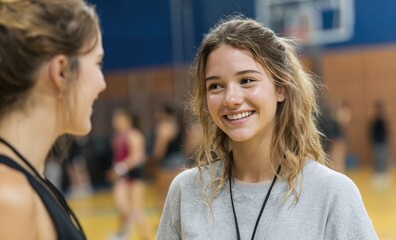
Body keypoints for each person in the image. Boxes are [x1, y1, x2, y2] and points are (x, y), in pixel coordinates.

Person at [156, 16, 378, 239]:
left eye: (246, 81)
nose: (231, 99)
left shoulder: (332, 193)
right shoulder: (186, 191)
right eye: (215, 86)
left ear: (280, 88)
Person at [0, 0, 106, 239]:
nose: (102, 83)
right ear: (61, 71)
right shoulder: (1, 195)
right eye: (97, 63)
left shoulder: (26, 180)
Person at [107, 108, 151, 240]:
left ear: (127, 120)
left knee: (136, 208)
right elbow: (117, 156)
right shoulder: (117, 136)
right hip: (122, 175)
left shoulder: (134, 135)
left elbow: (137, 157)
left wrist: (119, 169)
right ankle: (123, 232)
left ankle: (144, 236)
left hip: (134, 174)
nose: (115, 121)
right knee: (121, 205)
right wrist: (114, 169)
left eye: (118, 118)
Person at [149, 103, 187, 211]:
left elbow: (159, 151)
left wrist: (152, 162)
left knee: (160, 194)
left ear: (164, 113)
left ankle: (164, 221)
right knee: (179, 195)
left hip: (167, 165)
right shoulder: (179, 125)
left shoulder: (164, 127)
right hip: (180, 161)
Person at [370, 101, 390, 187]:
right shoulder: (374, 121)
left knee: (383, 160)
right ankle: (377, 177)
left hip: (382, 143)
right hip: (376, 143)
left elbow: (386, 132)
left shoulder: (383, 121)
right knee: (377, 160)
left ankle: (384, 177)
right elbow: (371, 132)